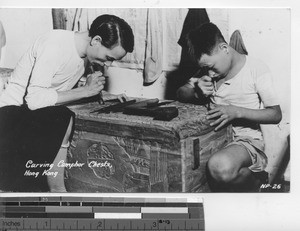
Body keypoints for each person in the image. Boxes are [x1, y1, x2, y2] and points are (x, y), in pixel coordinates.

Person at [0, 14, 134, 192]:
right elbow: (33, 100)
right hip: (8, 118)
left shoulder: (84, 54)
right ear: (96, 40)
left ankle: (56, 191)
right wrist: (85, 91)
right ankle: (58, 190)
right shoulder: (55, 44)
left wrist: (98, 95)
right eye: (108, 58)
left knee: (61, 116)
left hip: (27, 118)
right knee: (63, 116)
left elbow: (57, 88)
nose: (108, 65)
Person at [176, 22, 282, 192]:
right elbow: (180, 93)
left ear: (224, 48)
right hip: (213, 137)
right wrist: (196, 92)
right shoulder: (208, 70)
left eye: (211, 67)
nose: (209, 73)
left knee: (219, 167)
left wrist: (237, 111)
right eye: (205, 69)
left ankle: (258, 182)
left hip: (244, 140)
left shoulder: (256, 69)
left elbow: (275, 114)